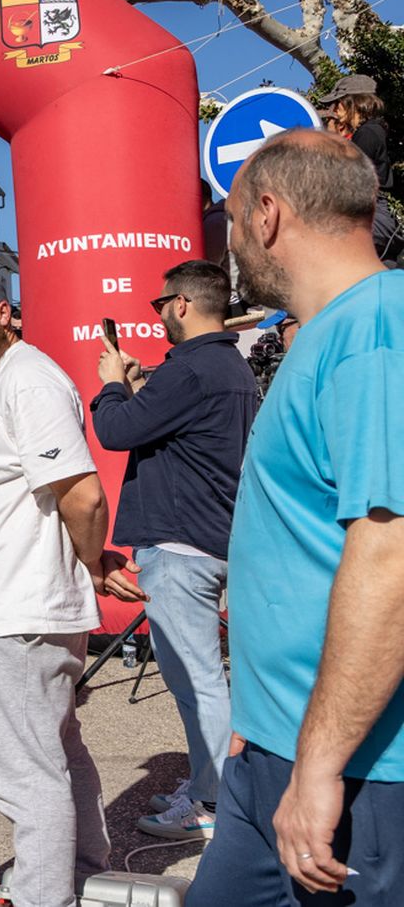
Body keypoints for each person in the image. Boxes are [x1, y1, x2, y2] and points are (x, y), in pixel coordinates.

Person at [188, 130, 404, 904]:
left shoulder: (377, 331)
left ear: (268, 215)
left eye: (232, 218)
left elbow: (393, 560)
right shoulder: (333, 332)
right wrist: (261, 712)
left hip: (359, 771)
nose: (231, 240)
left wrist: (317, 763)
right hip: (278, 747)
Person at [0, 269, 144, 907]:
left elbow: (82, 491)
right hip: (21, 603)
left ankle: (51, 895)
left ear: (4, 312)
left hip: (23, 607)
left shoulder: (29, 378)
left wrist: (94, 560)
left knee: (20, 768)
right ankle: (77, 870)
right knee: (55, 749)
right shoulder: (0, 381)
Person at [89, 260, 258, 841]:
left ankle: (214, 803)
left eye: (160, 305)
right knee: (199, 679)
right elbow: (173, 430)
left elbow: (116, 431)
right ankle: (210, 786)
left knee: (197, 680)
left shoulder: (191, 367)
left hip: (183, 543)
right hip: (203, 537)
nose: (158, 315)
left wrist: (113, 380)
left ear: (182, 303)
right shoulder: (224, 364)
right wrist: (139, 386)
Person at [320, 73, 400, 262]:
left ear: (352, 103)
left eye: (337, 103)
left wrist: (332, 139)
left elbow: (344, 176)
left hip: (376, 212)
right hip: (380, 213)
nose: (334, 110)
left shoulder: (367, 133)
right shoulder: (374, 130)